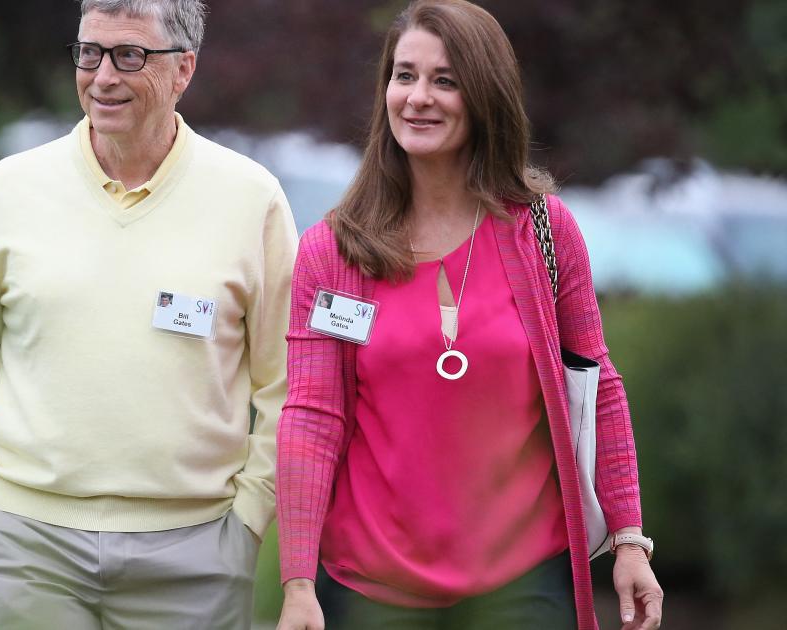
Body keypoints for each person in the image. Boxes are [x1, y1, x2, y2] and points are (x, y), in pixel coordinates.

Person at [274, 2, 663, 629]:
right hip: (372, 593)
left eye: (445, 80)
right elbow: (311, 420)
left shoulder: (544, 233)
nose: (418, 98)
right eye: (404, 76)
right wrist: (296, 583)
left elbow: (599, 386)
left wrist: (628, 540)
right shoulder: (334, 251)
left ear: (485, 95)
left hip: (523, 589)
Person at [0, 1, 297, 628]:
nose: (102, 77)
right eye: (89, 53)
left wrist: (249, 520)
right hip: (20, 549)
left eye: (129, 56)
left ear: (183, 70)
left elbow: (286, 382)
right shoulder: (10, 189)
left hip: (195, 556)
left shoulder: (250, 199)